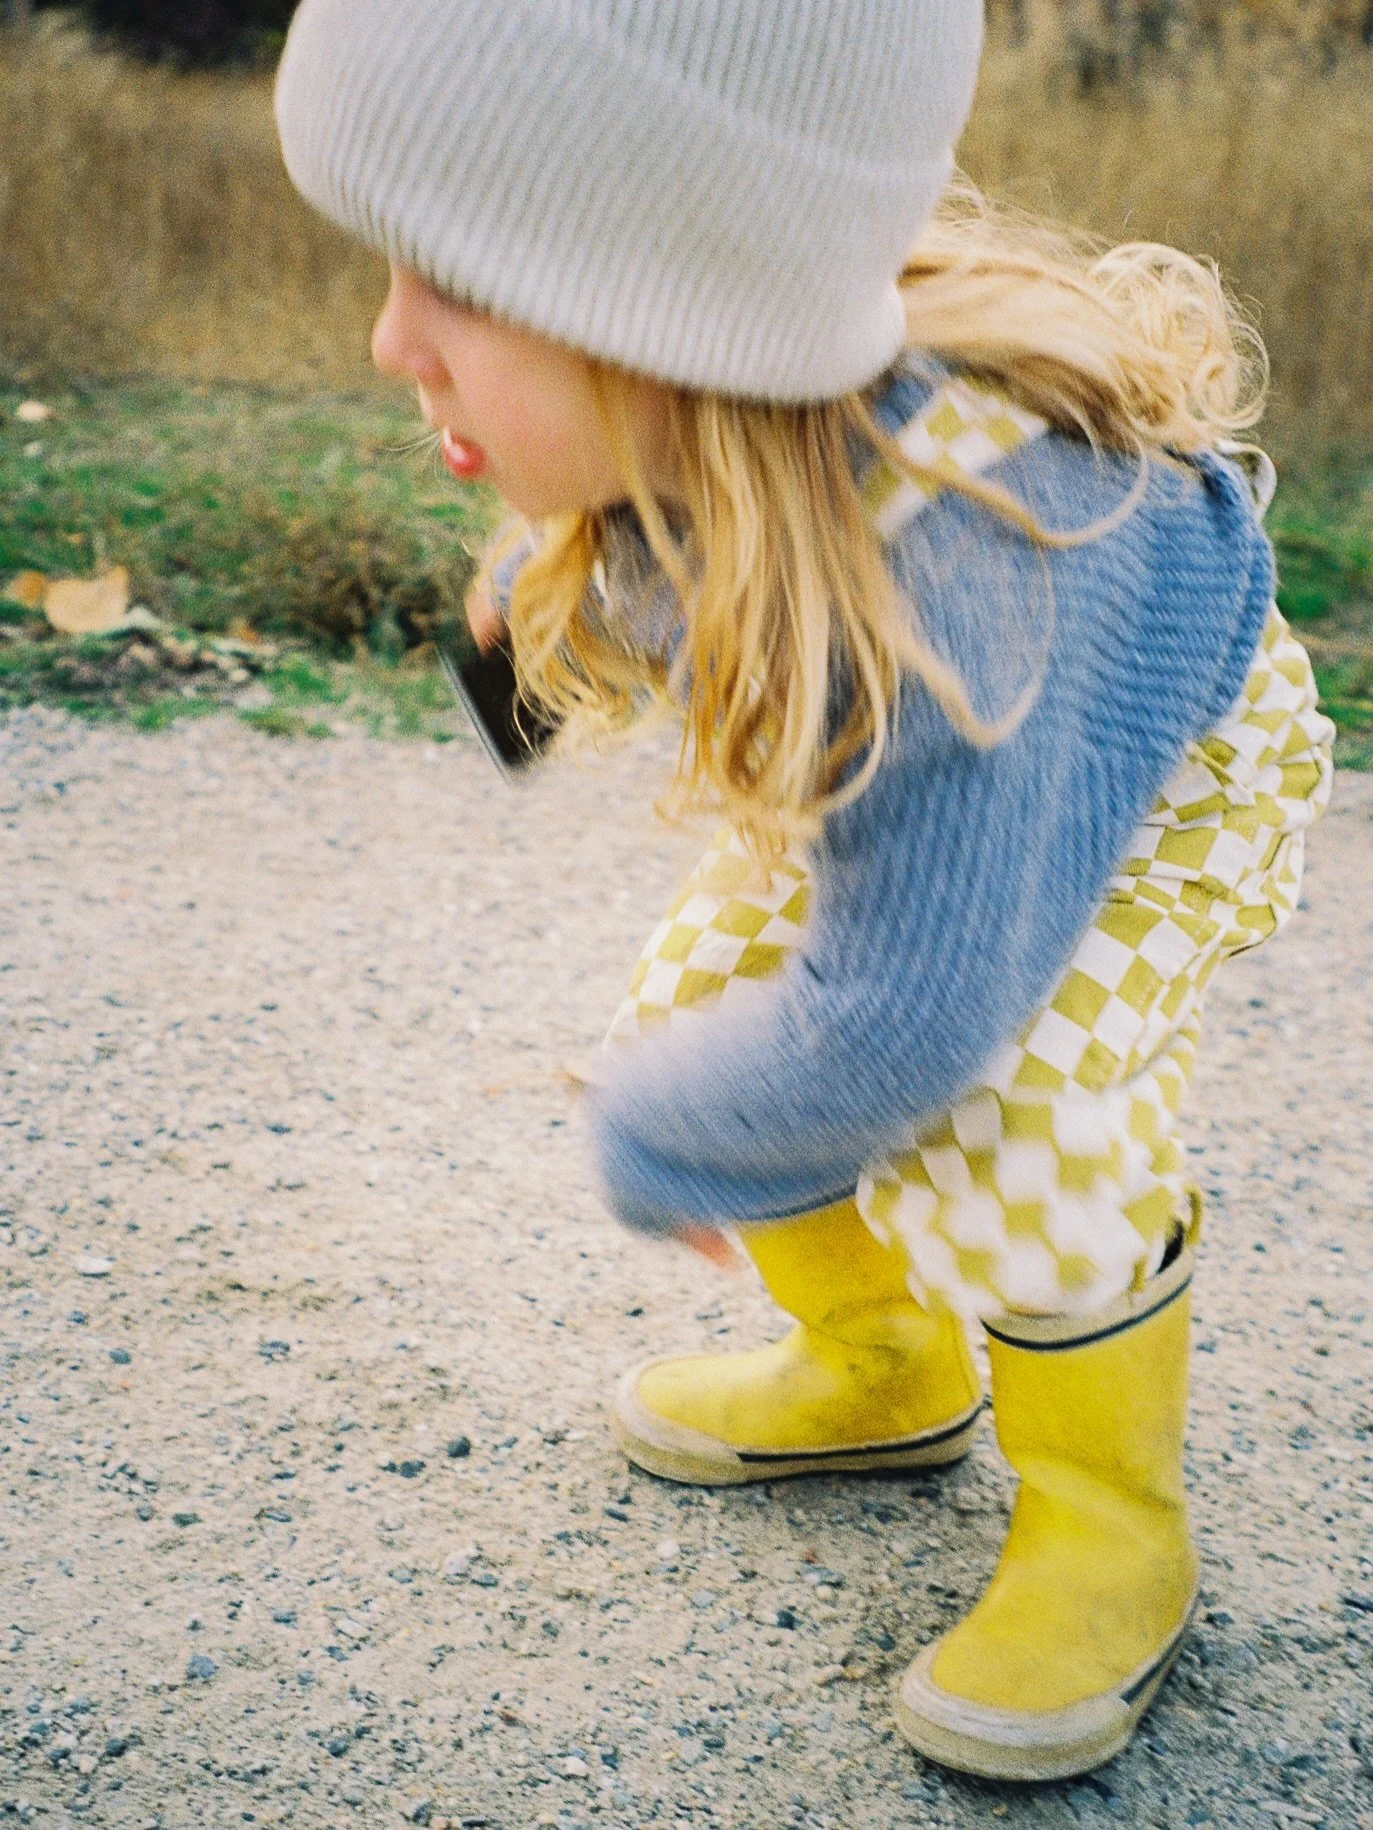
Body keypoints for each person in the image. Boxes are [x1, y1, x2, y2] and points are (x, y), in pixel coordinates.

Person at [274, 0, 1333, 1783]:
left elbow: (909, 1017)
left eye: (457, 281)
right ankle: (883, 1362)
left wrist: (657, 1141)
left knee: (1021, 1114)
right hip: (949, 733)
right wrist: (538, 620)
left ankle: (1108, 1515)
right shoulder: (718, 424)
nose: (393, 340)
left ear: (672, 312)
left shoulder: (958, 600)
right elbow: (657, 556)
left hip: (1154, 766)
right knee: (702, 1014)